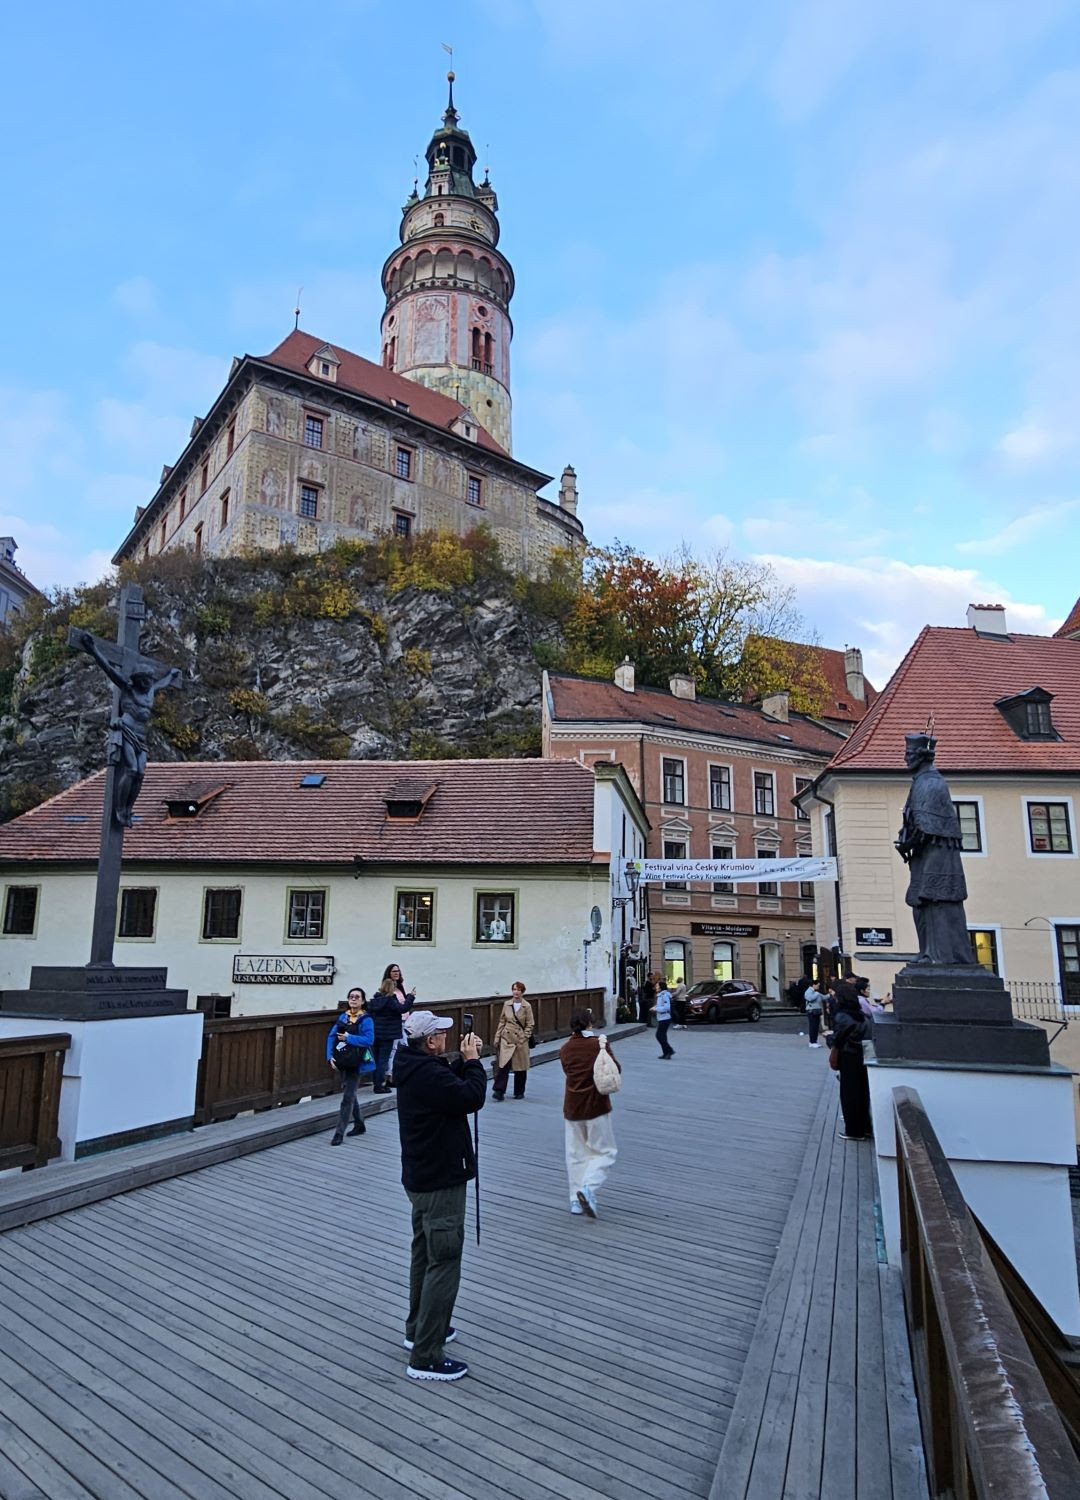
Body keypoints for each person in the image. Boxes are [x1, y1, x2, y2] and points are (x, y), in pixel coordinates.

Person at [394, 1010, 486, 1382]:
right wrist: (474, 1063)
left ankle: (420, 1328)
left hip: (421, 1175)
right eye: (441, 1035)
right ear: (429, 1041)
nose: (447, 1038)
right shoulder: (428, 1074)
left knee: (424, 1254)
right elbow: (470, 1097)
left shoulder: (415, 1068)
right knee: (444, 1260)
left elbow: (450, 1090)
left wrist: (463, 1064)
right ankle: (426, 1356)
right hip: (441, 1179)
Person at [559, 1007, 621, 1218]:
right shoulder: (599, 1044)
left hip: (572, 1106)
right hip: (596, 1105)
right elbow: (616, 1069)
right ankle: (588, 1187)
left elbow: (567, 1071)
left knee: (575, 1154)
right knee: (605, 1151)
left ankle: (575, 1201)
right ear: (590, 1023)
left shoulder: (565, 1048)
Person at [326, 987, 375, 1145]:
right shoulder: (343, 1017)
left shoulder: (366, 1019)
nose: (353, 999)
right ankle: (359, 1124)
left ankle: (339, 1133)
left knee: (347, 1097)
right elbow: (332, 1036)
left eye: (357, 997)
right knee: (350, 1092)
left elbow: (369, 1040)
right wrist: (329, 1056)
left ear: (362, 1001)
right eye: (351, 997)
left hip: (357, 1061)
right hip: (343, 1060)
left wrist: (349, 1038)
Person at [832, 982, 871, 1140]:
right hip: (864, 1056)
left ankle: (854, 1131)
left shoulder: (843, 1016)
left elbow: (838, 1039)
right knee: (862, 1093)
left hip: (849, 1056)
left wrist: (829, 1038)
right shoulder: (861, 1015)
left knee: (849, 1095)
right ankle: (865, 1127)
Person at [369, 963, 415, 1093]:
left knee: (377, 1059)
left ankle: (376, 1082)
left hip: (376, 1033)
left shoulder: (375, 1001)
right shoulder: (390, 1000)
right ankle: (380, 1085)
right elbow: (402, 1008)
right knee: (384, 1058)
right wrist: (411, 997)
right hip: (388, 1033)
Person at [491, 981, 535, 1100]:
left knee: (520, 1066)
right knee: (503, 1064)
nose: (516, 992)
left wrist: (525, 1036)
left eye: (518, 990)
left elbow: (530, 1024)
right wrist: (497, 1037)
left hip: (520, 1040)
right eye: (514, 989)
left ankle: (519, 1091)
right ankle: (499, 1091)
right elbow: (502, 1021)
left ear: (522, 992)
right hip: (507, 1038)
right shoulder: (507, 1004)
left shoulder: (527, 1006)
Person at [654, 973, 675, 1058]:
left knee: (659, 1035)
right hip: (661, 1017)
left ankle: (669, 1050)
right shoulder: (660, 995)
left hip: (665, 1017)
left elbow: (667, 1007)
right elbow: (661, 1005)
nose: (656, 987)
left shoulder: (664, 995)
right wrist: (655, 1007)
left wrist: (656, 1009)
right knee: (663, 1036)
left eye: (657, 986)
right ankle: (666, 1053)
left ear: (661, 987)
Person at [803, 980, 827, 1047]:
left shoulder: (816, 992)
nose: (819, 986)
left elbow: (824, 997)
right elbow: (810, 998)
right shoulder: (809, 991)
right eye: (818, 985)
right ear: (813, 985)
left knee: (816, 1027)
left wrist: (830, 994)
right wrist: (816, 994)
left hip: (816, 1011)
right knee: (813, 1026)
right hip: (811, 1011)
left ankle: (815, 1041)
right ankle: (812, 1042)